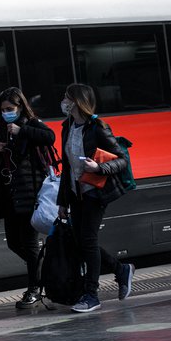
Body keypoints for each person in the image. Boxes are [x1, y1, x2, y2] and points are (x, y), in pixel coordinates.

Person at [56, 83, 135, 313]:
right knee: (81, 243)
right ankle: (121, 270)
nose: (63, 101)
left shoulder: (98, 127)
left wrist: (99, 168)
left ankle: (91, 294)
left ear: (77, 101)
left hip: (95, 193)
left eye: (66, 97)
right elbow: (67, 168)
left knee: (87, 241)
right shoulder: (67, 126)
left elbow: (122, 160)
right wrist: (62, 201)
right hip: (75, 193)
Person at [0, 87, 56, 309]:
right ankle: (47, 273)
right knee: (13, 243)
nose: (6, 113)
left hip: (30, 194)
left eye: (10, 109)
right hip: (9, 195)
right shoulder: (1, 128)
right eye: (3, 110)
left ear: (20, 107)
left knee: (29, 244)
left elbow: (49, 136)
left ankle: (34, 289)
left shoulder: (31, 123)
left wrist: (22, 130)